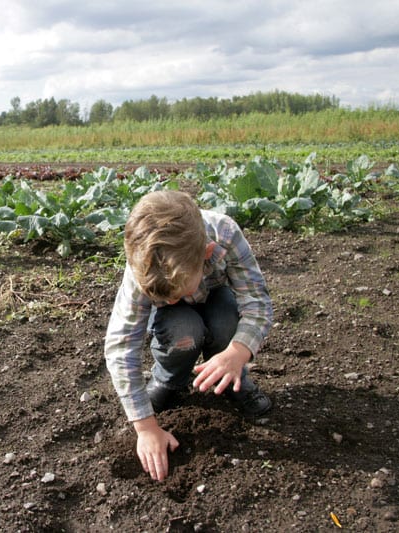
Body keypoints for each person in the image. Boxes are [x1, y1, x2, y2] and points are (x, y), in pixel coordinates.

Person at [104, 189, 273, 482]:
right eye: (160, 296)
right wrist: (145, 428)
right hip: (175, 324)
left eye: (175, 293)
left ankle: (234, 378)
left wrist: (238, 352)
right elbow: (121, 346)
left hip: (219, 301)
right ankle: (170, 381)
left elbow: (257, 304)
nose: (169, 300)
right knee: (183, 330)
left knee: (225, 322)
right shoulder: (143, 263)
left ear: (205, 256)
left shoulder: (226, 234)